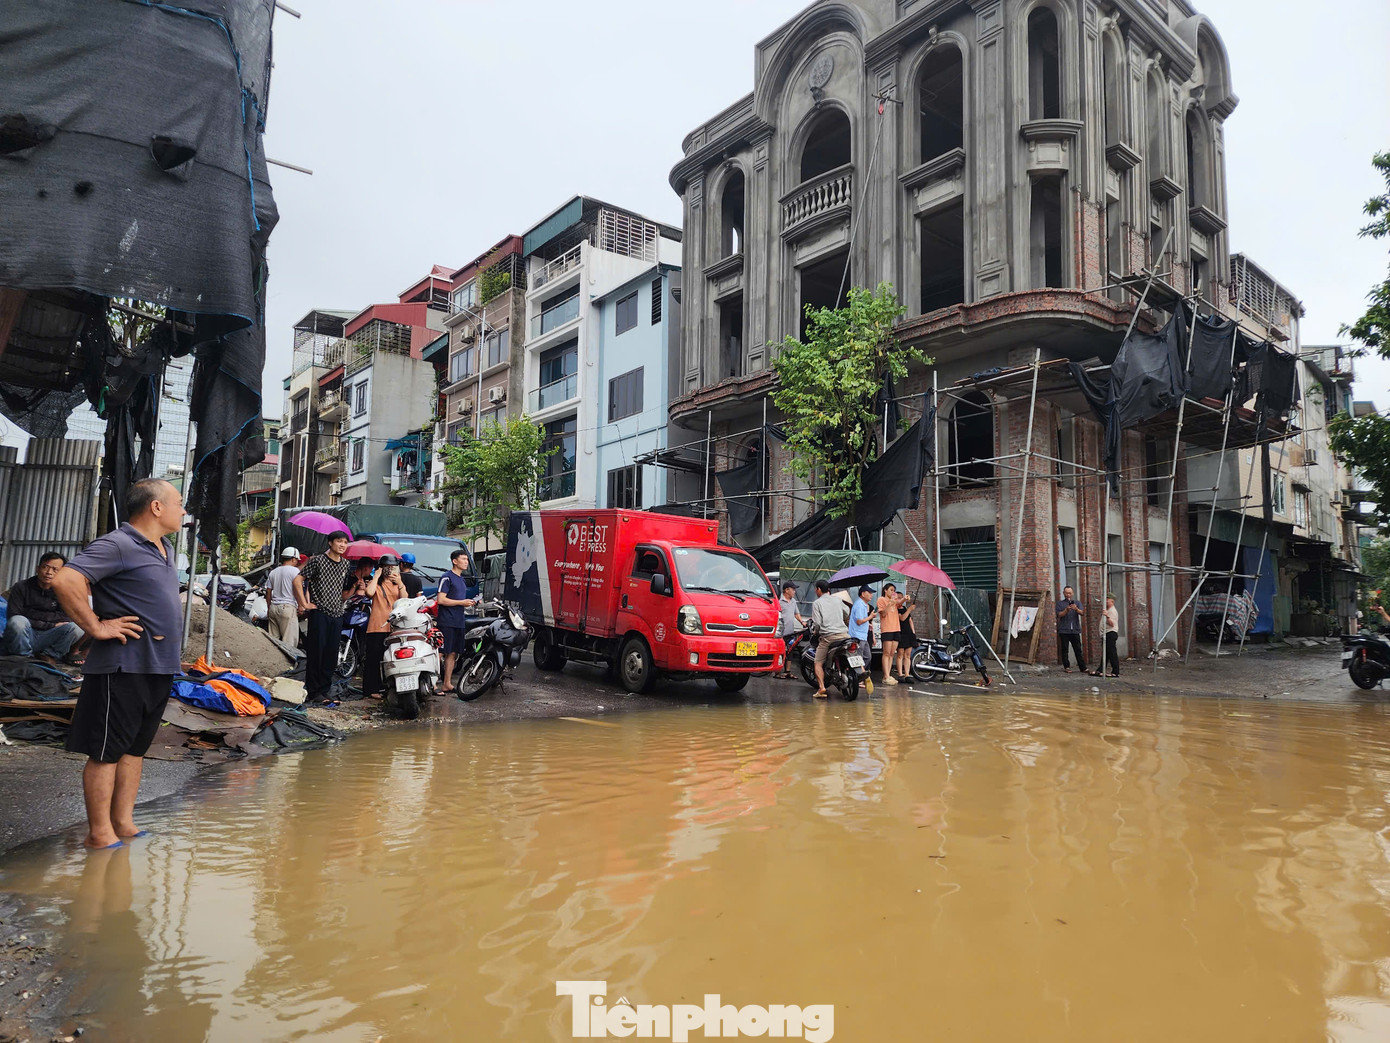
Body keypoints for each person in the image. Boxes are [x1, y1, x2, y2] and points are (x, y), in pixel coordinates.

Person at [49, 479, 183, 849]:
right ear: (156, 507)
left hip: (158, 665)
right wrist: (95, 626)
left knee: (134, 749)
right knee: (107, 750)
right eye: (179, 503)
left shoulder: (165, 546)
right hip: (122, 666)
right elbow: (66, 579)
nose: (183, 510)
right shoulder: (119, 543)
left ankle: (123, 822)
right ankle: (99, 833)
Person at [293, 530, 354, 703]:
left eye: (345, 542)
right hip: (319, 613)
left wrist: (356, 587)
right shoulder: (318, 561)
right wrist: (303, 604)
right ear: (330, 543)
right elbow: (297, 580)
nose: (342, 545)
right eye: (339, 541)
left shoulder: (345, 564)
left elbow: (341, 593)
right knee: (316, 653)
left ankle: (324, 690)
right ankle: (313, 691)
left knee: (331, 654)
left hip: (337, 614)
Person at [3, 552, 82, 661]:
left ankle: (49, 655)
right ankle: (23, 657)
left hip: (49, 636)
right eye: (45, 567)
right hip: (25, 633)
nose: (49, 572)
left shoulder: (65, 591)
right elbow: (14, 614)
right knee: (17, 621)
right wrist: (50, 624)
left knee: (77, 627)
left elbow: (66, 617)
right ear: (37, 568)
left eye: (55, 569)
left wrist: (29, 613)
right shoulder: (21, 587)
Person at [361, 555, 406, 700]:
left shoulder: (396, 583)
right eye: (387, 567)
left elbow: (405, 599)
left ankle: (388, 686)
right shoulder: (376, 583)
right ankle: (371, 689)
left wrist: (399, 582)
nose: (390, 570)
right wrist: (377, 576)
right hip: (377, 626)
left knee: (392, 659)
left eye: (392, 567)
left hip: (393, 627)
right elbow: (369, 593)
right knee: (374, 659)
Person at [436, 548, 477, 694]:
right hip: (446, 621)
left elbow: (459, 600)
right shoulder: (447, 577)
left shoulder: (461, 580)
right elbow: (441, 599)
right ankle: (433, 684)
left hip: (459, 620)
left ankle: (447, 683)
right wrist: (461, 602)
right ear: (455, 561)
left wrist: (468, 602)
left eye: (467, 559)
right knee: (440, 652)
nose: (466, 562)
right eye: (463, 559)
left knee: (452, 653)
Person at [809, 580, 848, 699]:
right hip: (845, 634)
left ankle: (821, 688)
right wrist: (844, 620)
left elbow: (817, 623)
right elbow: (847, 612)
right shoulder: (837, 600)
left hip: (829, 637)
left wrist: (815, 631)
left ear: (819, 589)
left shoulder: (817, 603)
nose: (816, 591)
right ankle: (862, 672)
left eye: (816, 589)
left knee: (818, 663)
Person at [264, 547, 301, 647]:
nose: (297, 562)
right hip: (288, 607)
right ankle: (287, 663)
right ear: (293, 559)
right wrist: (301, 605)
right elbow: (298, 590)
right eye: (297, 560)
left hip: (273, 607)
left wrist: (268, 608)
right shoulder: (295, 571)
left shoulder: (273, 572)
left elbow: (268, 591)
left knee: (272, 641)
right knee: (289, 643)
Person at [848, 585, 877, 696]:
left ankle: (858, 675)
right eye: (869, 592)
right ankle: (857, 677)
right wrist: (870, 617)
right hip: (857, 637)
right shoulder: (860, 604)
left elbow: (860, 621)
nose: (871, 595)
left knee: (867, 657)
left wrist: (868, 624)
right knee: (859, 658)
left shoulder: (863, 605)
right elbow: (859, 621)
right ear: (863, 593)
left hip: (863, 636)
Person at [774, 582, 804, 679]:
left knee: (790, 651)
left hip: (790, 632)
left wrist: (802, 622)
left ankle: (788, 672)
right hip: (781, 633)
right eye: (793, 589)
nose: (794, 591)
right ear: (786, 590)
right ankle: (777, 673)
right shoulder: (779, 601)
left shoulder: (793, 601)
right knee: (780, 652)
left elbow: (796, 613)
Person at [1055, 585, 1086, 674]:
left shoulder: (1077, 602)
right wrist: (1066, 610)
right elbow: (1059, 615)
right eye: (1066, 593)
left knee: (1078, 649)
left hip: (1075, 630)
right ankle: (1067, 666)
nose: (1068, 595)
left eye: (1069, 593)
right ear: (1063, 593)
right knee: (1065, 650)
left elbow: (1082, 613)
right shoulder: (1060, 603)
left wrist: (1076, 609)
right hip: (1064, 630)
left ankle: (1082, 667)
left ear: (1072, 593)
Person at [877, 583, 901, 686]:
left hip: (896, 628)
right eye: (891, 590)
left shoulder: (894, 601)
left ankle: (889, 674)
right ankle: (885, 676)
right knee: (886, 653)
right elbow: (883, 613)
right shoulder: (881, 599)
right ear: (885, 590)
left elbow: (900, 603)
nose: (892, 592)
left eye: (894, 590)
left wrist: (904, 599)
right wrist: (890, 603)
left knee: (892, 653)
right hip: (887, 628)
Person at [1092, 594, 1120, 677]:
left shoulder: (1112, 611)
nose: (1106, 601)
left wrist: (1107, 616)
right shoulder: (1109, 610)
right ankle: (1100, 669)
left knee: (1112, 653)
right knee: (1106, 653)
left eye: (1107, 599)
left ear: (1112, 601)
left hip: (1110, 633)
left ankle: (1115, 671)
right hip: (1106, 634)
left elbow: (1112, 624)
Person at [895, 591, 917, 680]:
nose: (900, 599)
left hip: (908, 633)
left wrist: (913, 633)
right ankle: (900, 674)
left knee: (907, 655)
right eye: (898, 598)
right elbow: (902, 618)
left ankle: (907, 673)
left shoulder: (904, 607)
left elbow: (910, 620)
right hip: (901, 633)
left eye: (901, 597)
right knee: (900, 654)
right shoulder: (895, 608)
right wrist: (910, 609)